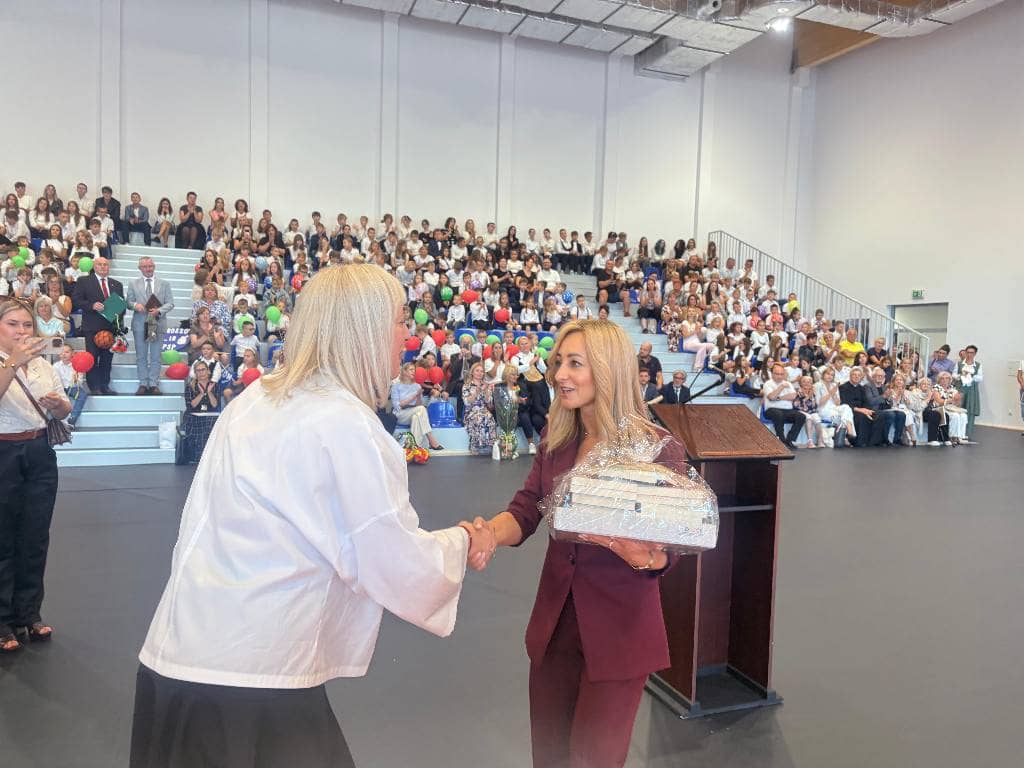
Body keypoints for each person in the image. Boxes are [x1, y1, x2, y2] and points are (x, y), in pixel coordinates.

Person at [131, 264, 488, 768]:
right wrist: (466, 539)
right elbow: (392, 559)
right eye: (399, 321)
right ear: (364, 329)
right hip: (255, 677)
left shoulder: (256, 398)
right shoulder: (344, 422)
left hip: (179, 653)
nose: (407, 336)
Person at [462, 319, 686, 768]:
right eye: (559, 362)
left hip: (620, 633)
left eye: (574, 363)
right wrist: (490, 533)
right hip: (555, 627)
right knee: (548, 757)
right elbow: (527, 508)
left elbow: (674, 546)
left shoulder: (656, 448)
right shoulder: (556, 438)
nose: (559, 374)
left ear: (608, 369)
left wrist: (647, 557)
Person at [0, 297, 72, 653]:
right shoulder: (8, 361)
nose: (21, 331)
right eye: (13, 324)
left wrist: (59, 406)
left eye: (27, 325)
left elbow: (64, 407)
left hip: (40, 451)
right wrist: (13, 362)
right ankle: (2, 619)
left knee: (35, 536)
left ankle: (28, 612)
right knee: (3, 538)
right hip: (4, 451)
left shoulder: (44, 365)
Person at [71, 256, 123, 395]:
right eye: (100, 264)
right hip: (92, 327)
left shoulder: (117, 284)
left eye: (105, 264)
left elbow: (121, 306)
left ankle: (105, 386)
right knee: (92, 358)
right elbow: (76, 300)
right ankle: (94, 387)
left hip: (110, 328)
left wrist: (118, 322)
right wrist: (91, 305)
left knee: (107, 359)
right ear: (94, 267)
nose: (103, 267)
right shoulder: (84, 281)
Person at [126, 257, 175, 395]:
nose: (148, 269)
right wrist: (135, 305)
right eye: (145, 266)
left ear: (154, 267)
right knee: (141, 356)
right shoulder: (133, 283)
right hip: (140, 323)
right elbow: (128, 302)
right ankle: (143, 383)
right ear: (139, 268)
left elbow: (170, 303)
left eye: (150, 266)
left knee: (155, 356)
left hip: (157, 323)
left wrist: (159, 310)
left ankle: (153, 383)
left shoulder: (164, 284)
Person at [391, 362, 445, 451]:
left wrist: (418, 396)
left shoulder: (416, 385)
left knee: (417, 416)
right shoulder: (396, 385)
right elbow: (398, 405)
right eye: (411, 369)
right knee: (421, 410)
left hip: (414, 412)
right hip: (400, 414)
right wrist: (414, 396)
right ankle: (431, 438)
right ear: (404, 371)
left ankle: (415, 447)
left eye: (414, 370)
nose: (413, 372)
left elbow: (418, 405)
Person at [181, 360, 220, 464]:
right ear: (195, 373)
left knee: (211, 423)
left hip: (210, 415)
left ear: (208, 371)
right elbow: (191, 405)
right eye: (198, 371)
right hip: (194, 416)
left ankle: (209, 456)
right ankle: (200, 456)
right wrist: (202, 394)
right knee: (201, 426)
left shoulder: (215, 386)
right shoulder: (190, 386)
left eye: (203, 370)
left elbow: (215, 405)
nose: (201, 372)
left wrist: (209, 393)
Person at [761, 362, 805, 449]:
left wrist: (779, 398)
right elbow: (771, 397)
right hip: (771, 409)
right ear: (772, 374)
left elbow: (793, 396)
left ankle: (790, 439)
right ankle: (781, 440)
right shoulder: (768, 384)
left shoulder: (788, 383)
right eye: (777, 374)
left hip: (787, 410)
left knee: (801, 416)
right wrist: (781, 387)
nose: (779, 376)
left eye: (781, 374)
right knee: (778, 414)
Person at [839, 366, 884, 447]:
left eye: (858, 375)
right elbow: (844, 403)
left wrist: (867, 410)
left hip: (862, 410)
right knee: (861, 417)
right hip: (850, 410)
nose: (856, 377)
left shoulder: (861, 388)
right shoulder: (843, 387)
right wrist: (860, 410)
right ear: (850, 376)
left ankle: (873, 442)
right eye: (854, 375)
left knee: (878, 415)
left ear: (861, 377)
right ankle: (859, 442)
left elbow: (866, 402)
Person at [863, 367, 907, 446]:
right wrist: (883, 396)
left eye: (882, 376)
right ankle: (885, 439)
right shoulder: (867, 386)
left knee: (902, 414)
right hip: (873, 410)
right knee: (890, 414)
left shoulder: (884, 387)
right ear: (873, 376)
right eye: (878, 375)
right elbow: (871, 401)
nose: (880, 377)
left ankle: (897, 439)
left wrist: (890, 399)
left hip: (886, 409)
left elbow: (888, 402)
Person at [461, 361, 497, 455]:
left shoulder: (485, 385)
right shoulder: (466, 386)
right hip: (470, 411)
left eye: (481, 371)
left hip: (483, 409)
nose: (479, 373)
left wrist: (487, 391)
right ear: (472, 372)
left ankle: (490, 445)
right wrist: (476, 392)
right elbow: (467, 402)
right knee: (478, 417)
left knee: (490, 417)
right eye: (477, 371)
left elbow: (488, 401)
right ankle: (475, 445)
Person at [955, 344, 982, 441]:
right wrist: (961, 375)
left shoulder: (978, 365)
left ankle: (967, 434)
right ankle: (956, 433)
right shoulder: (959, 364)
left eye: (972, 352)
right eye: (968, 352)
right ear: (965, 353)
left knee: (970, 411)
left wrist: (971, 375)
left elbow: (980, 378)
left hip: (971, 390)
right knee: (957, 410)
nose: (969, 354)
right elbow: (954, 375)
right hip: (960, 388)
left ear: (975, 354)